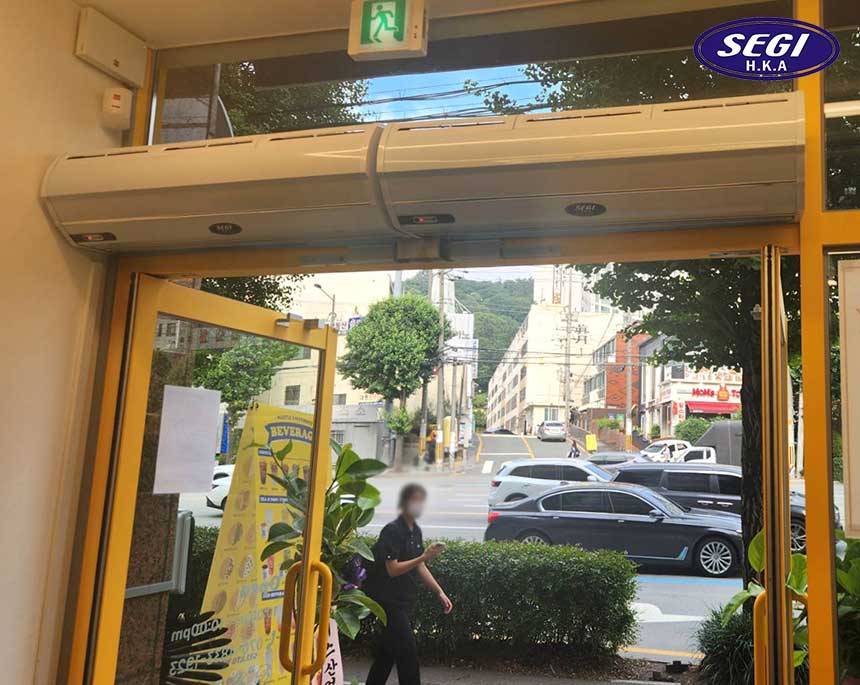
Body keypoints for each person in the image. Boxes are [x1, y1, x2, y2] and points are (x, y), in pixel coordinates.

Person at [364, 484, 452, 685]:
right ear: (404, 503)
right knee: (407, 652)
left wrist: (439, 591)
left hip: (404, 601)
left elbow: (419, 565)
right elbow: (392, 569)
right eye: (415, 500)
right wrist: (424, 556)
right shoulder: (392, 531)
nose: (419, 505)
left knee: (387, 653)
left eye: (421, 501)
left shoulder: (415, 531)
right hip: (388, 602)